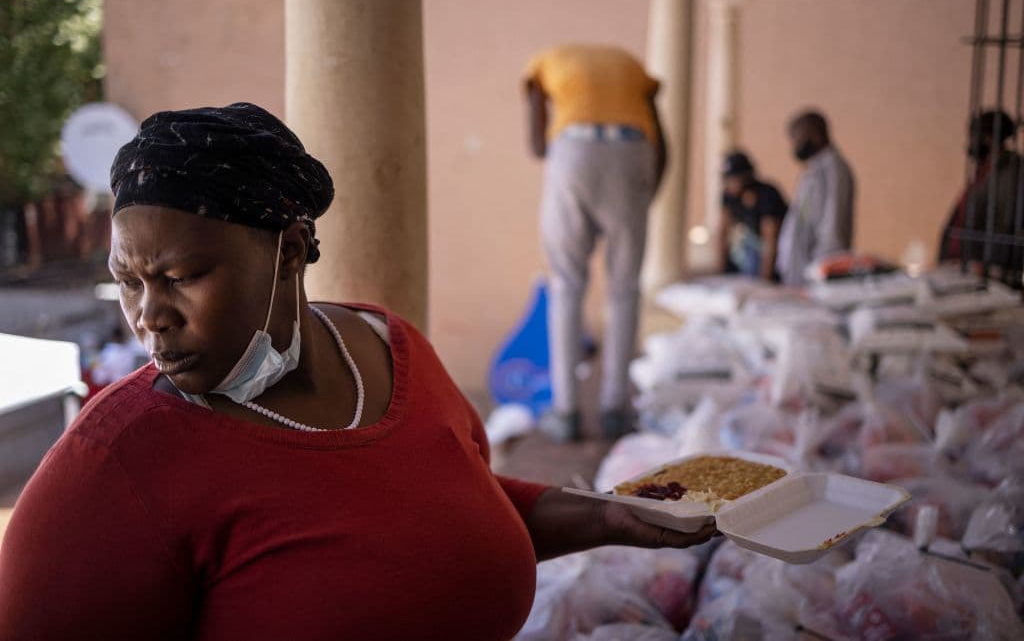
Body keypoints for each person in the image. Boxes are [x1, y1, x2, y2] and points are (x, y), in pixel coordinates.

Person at [0, 103, 713, 640]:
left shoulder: (389, 349)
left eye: (182, 274)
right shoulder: (113, 467)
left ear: (290, 250)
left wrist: (607, 515)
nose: (149, 314)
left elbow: (439, 507)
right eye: (128, 281)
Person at [523, 43, 666, 442]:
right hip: (634, 152)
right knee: (624, 290)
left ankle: (566, 412)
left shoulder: (542, 66)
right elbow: (663, 144)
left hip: (574, 152)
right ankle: (615, 410)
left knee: (567, 284)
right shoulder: (635, 67)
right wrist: (641, 198)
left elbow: (537, 145)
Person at [939, 109, 1023, 287]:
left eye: (974, 135)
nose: (970, 143)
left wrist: (988, 266)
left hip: (989, 275)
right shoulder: (986, 170)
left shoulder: (1011, 173)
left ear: (988, 137)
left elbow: (1006, 225)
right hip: (964, 269)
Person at [776, 110, 856, 286]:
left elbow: (833, 224)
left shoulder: (835, 170)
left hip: (819, 271)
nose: (794, 145)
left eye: (797, 137)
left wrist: (823, 269)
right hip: (800, 271)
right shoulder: (813, 169)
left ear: (815, 134)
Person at [717, 151, 788, 280]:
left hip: (780, 258)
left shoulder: (767, 195)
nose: (727, 184)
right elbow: (722, 232)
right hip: (751, 255)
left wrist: (764, 281)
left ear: (745, 177)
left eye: (731, 179)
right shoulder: (729, 196)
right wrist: (721, 273)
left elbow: (771, 241)